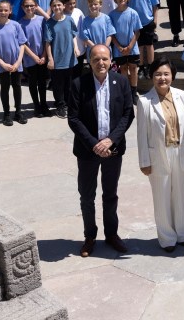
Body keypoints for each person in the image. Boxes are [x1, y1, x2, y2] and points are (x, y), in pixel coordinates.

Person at [68, 44, 135, 258]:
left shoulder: (121, 82)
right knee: (87, 196)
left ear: (111, 60)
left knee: (110, 194)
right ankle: (90, 236)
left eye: (105, 59)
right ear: (90, 61)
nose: (101, 63)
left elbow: (127, 114)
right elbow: (74, 118)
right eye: (96, 59)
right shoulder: (79, 84)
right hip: (88, 151)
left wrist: (110, 141)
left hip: (112, 150)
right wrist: (94, 144)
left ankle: (112, 234)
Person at [136, 58, 184, 252]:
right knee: (161, 197)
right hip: (158, 154)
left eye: (166, 74)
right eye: (158, 74)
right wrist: (144, 161)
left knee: (179, 193)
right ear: (152, 77)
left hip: (180, 151)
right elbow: (142, 134)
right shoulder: (145, 101)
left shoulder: (181, 95)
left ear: (172, 76)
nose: (162, 78)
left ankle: (182, 233)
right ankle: (167, 238)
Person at [0, 1, 29, 126]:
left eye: (6, 10)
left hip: (16, 62)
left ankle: (18, 111)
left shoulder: (16, 25)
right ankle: (6, 113)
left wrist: (18, 61)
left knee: (17, 86)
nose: (3, 12)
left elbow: (22, 44)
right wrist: (1, 63)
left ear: (10, 11)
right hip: (2, 63)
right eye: (1, 10)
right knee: (5, 87)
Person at [45, 0, 80, 119]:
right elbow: (48, 42)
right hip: (57, 58)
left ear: (63, 6)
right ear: (51, 8)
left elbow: (73, 35)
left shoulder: (69, 20)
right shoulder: (49, 23)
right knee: (58, 84)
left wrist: (76, 48)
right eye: (54, 5)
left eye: (59, 5)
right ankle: (60, 105)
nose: (57, 7)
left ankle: (68, 103)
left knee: (69, 84)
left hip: (69, 57)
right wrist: (50, 58)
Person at [19, 0, 49, 117]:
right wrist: (33, 56)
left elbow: (46, 39)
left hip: (42, 56)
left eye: (32, 5)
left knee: (42, 81)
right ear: (23, 8)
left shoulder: (42, 20)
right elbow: (22, 43)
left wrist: (43, 55)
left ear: (36, 6)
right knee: (32, 82)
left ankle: (43, 104)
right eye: (26, 6)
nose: (29, 8)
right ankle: (36, 105)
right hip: (29, 58)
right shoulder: (20, 23)